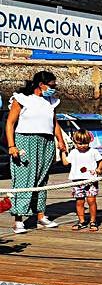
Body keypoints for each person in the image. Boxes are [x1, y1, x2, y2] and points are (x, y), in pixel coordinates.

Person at [6, 71, 67, 233]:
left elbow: (54, 124)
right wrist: (12, 146)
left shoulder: (50, 102)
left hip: (46, 142)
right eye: (52, 85)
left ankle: (40, 216)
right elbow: (10, 123)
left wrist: (60, 141)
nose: (54, 88)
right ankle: (18, 219)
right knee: (23, 179)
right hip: (25, 140)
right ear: (42, 84)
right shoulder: (21, 99)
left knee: (41, 179)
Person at [62, 129, 102, 232]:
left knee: (91, 201)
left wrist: (99, 168)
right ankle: (81, 221)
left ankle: (93, 221)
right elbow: (66, 163)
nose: (82, 145)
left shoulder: (93, 151)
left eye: (85, 143)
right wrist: (63, 152)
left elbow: (101, 161)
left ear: (89, 141)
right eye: (79, 143)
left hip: (91, 180)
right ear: (75, 142)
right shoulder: (73, 152)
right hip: (77, 181)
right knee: (79, 202)